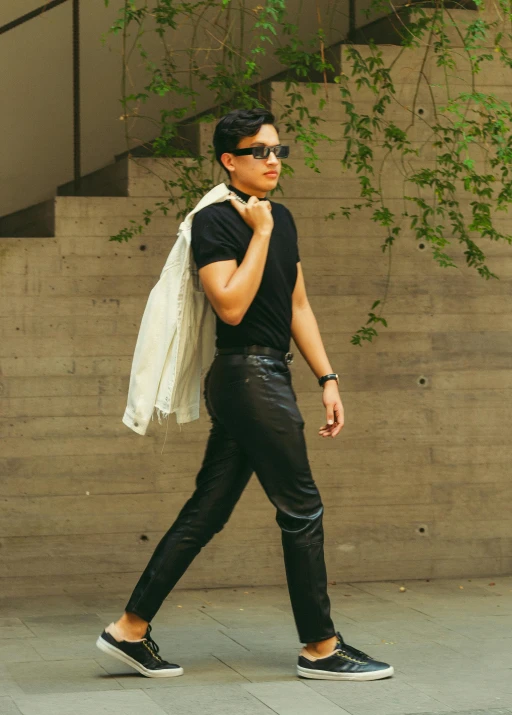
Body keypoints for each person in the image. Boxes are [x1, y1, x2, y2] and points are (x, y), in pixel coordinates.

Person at [96, 108, 394, 682]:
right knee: (301, 508)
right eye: (259, 151)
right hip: (246, 377)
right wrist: (258, 235)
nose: (273, 159)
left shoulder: (280, 217)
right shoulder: (216, 221)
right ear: (229, 160)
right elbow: (230, 303)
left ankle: (128, 631)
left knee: (206, 511)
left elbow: (298, 305)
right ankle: (321, 649)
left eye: (278, 149)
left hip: (267, 377)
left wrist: (327, 379)